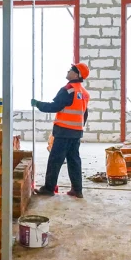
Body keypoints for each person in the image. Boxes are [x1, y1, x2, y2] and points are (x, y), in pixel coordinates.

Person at [31, 63, 90, 199]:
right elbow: (85, 113)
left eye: (71, 69)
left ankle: (49, 188)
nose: (68, 71)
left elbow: (54, 106)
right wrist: (79, 127)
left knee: (55, 160)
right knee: (74, 160)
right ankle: (77, 190)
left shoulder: (68, 89)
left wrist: (37, 104)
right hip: (76, 132)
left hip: (64, 131)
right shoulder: (84, 93)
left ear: (77, 74)